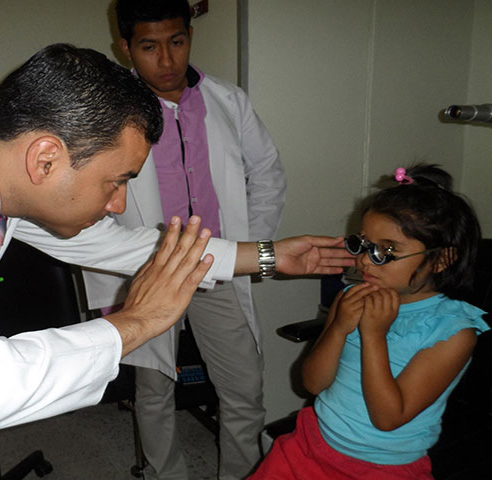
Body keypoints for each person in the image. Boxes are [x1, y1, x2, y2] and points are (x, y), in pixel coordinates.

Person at [0, 43, 352, 479]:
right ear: (46, 158)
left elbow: (123, 245)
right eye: (116, 182)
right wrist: (135, 323)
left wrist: (269, 256)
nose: (119, 205)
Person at [83, 1, 284, 478]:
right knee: (154, 390)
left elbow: (267, 173)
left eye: (176, 42)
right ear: (126, 47)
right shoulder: (107, 109)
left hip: (216, 265)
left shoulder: (227, 100)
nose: (167, 60)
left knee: (245, 387)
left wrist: (251, 248)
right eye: (149, 47)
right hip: (147, 269)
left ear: (190, 36)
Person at [249, 164, 490, 480]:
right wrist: (339, 328)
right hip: (313, 443)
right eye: (363, 245)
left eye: (387, 250)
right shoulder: (352, 297)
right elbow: (312, 384)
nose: (364, 260)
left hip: (382, 466)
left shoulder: (452, 331)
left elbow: (388, 418)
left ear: (441, 260)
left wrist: (373, 336)